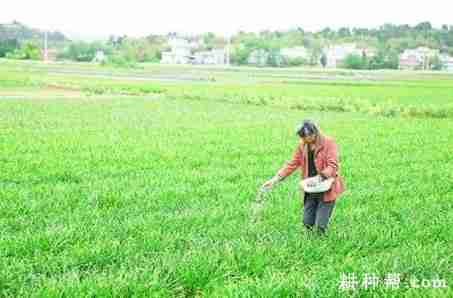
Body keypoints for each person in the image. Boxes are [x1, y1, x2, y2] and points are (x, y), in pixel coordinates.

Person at [262, 120, 345, 235]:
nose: (303, 140)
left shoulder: (328, 143)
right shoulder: (303, 145)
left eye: (305, 137)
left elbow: (333, 165)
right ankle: (310, 240)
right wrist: (276, 179)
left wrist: (319, 178)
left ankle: (320, 243)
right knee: (307, 223)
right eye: (301, 138)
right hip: (310, 187)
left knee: (320, 226)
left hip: (327, 187)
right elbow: (293, 163)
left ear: (314, 133)